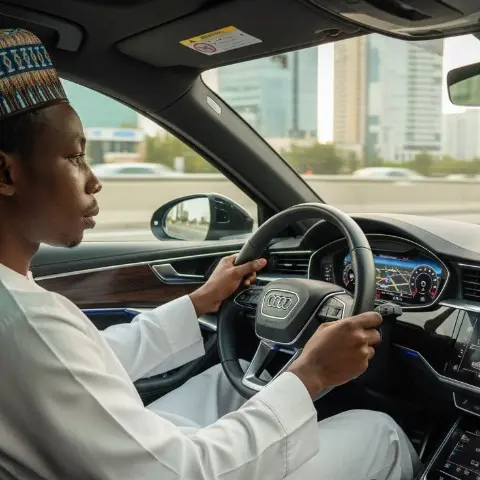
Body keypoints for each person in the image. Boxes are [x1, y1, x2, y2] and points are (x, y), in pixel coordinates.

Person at [0, 28, 420, 480]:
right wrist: (312, 373)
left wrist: (199, 301)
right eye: (75, 157)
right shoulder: (29, 323)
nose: (94, 180)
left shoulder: (21, 303)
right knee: (380, 433)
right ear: (5, 173)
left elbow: (89, 360)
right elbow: (179, 473)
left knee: (232, 383)